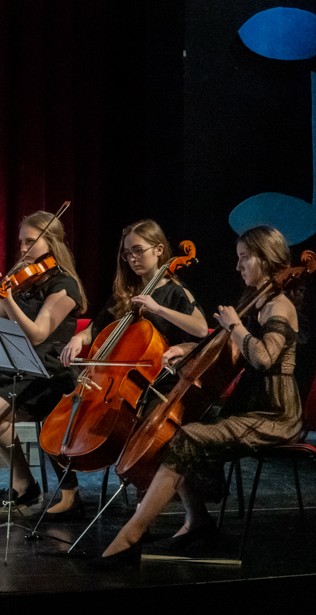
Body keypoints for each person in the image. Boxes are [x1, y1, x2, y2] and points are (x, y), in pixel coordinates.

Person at [93, 225, 303, 567]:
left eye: (245, 258)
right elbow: (225, 350)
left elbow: (263, 359)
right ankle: (197, 521)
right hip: (250, 406)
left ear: (267, 259)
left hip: (276, 414)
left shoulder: (280, 306)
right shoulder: (257, 301)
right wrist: (188, 349)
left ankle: (132, 535)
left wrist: (235, 326)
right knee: (180, 430)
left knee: (188, 437)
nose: (238, 267)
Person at [45, 219, 206, 520]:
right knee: (55, 404)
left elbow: (200, 329)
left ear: (159, 250)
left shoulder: (175, 292)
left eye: (138, 251)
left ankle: (152, 490)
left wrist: (157, 309)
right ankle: (69, 493)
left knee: (146, 424)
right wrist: (80, 339)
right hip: (122, 381)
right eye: (127, 254)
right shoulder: (127, 293)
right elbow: (96, 326)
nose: (132, 259)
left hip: (160, 382)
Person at [0, 210, 86, 513]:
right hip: (13, 369)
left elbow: (37, 334)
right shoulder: (24, 283)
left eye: (30, 242)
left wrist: (7, 299)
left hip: (46, 374)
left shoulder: (65, 286)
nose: (22, 249)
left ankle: (24, 484)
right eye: (21, 242)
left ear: (52, 242)